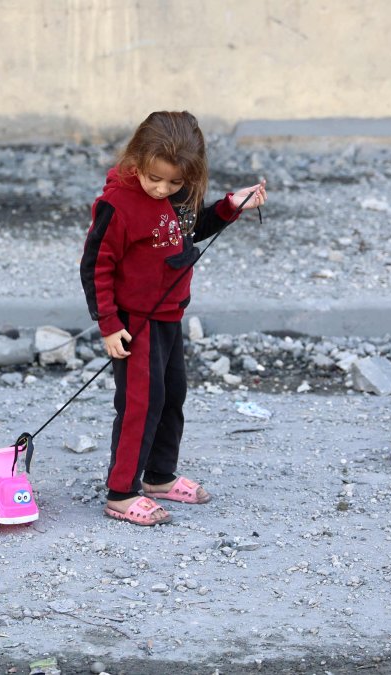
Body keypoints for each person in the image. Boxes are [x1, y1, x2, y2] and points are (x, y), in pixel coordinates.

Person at [79, 111, 266, 526]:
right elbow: (95, 266)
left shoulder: (179, 192)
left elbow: (188, 228)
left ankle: (159, 477)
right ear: (136, 160)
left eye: (175, 182)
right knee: (140, 405)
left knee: (171, 396)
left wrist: (231, 206)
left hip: (168, 313)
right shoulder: (117, 204)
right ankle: (121, 492)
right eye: (154, 179)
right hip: (133, 321)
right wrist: (108, 324)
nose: (163, 189)